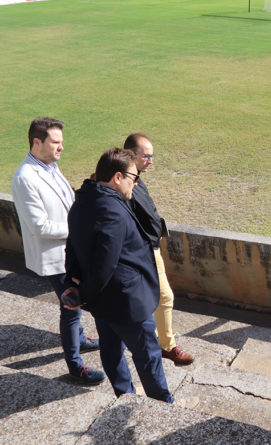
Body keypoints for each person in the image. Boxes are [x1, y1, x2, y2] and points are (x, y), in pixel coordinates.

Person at [63, 148, 173, 403]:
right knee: (148, 358)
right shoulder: (111, 209)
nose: (136, 182)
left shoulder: (82, 201)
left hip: (103, 303)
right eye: (133, 177)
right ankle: (163, 405)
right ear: (117, 177)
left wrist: (74, 284)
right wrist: (84, 296)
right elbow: (105, 264)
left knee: (111, 352)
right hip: (127, 302)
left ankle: (125, 396)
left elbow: (73, 247)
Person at [11, 117, 105, 385]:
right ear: (37, 142)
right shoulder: (24, 177)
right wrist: (78, 228)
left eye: (61, 142)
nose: (62, 147)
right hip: (55, 257)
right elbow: (39, 226)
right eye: (56, 142)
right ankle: (76, 368)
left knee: (74, 308)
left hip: (70, 252)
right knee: (71, 307)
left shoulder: (50, 166)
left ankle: (81, 338)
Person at [123, 132, 195, 365]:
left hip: (149, 247)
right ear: (132, 155)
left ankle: (156, 339)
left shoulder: (135, 175)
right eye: (147, 155)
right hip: (142, 250)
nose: (151, 160)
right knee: (164, 296)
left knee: (155, 297)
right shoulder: (124, 181)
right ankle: (167, 346)